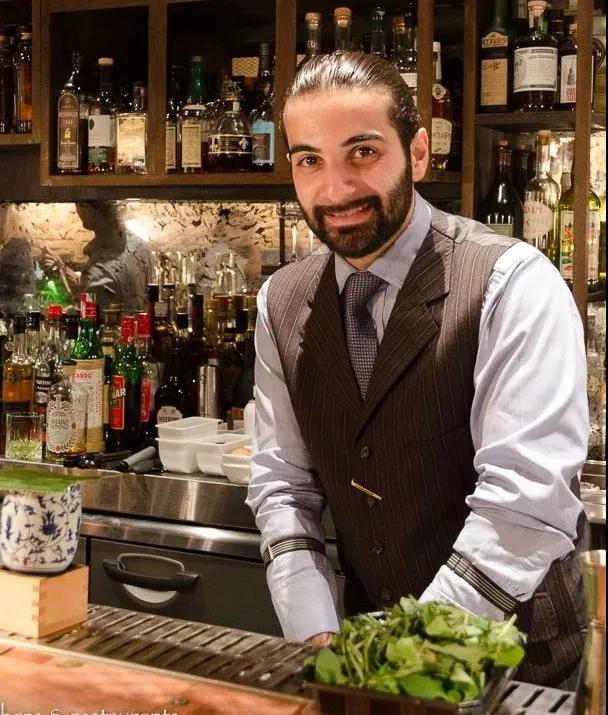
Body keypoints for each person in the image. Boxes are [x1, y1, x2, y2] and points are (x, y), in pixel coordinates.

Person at [246, 52, 590, 690]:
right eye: (309, 160)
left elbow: (524, 502)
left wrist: (407, 656)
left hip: (518, 666)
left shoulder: (512, 283)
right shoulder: (281, 303)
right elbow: (284, 486)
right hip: (368, 655)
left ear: (420, 153)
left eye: (363, 152)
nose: (335, 189)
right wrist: (317, 635)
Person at [41, 200, 154, 313]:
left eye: (78, 203)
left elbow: (87, 314)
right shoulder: (142, 246)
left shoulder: (97, 272)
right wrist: (62, 268)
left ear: (88, 210)